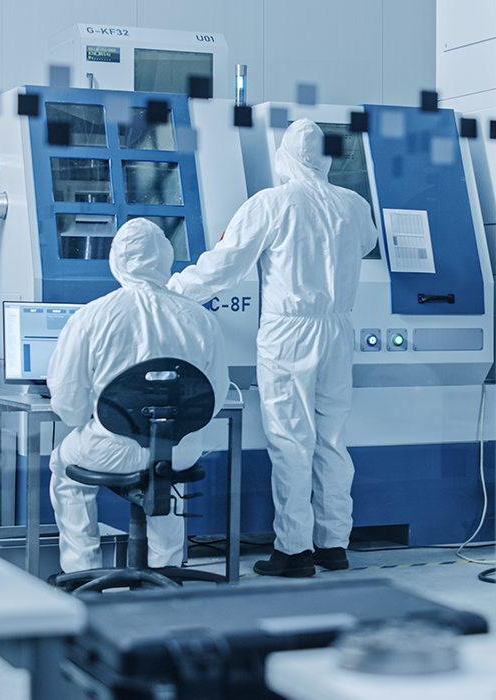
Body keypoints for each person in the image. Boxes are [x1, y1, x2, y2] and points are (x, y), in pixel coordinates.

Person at [168, 118, 378, 577]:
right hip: (338, 329)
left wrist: (170, 291)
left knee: (290, 442)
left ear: (285, 154)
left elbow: (222, 267)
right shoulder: (354, 205)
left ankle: (293, 552)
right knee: (332, 440)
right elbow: (366, 246)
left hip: (290, 332)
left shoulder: (271, 203)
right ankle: (333, 544)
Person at [47, 218, 228, 574]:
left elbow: (68, 406)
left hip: (112, 450)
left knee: (63, 466)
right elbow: (215, 397)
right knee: (165, 474)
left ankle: (82, 571)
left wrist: (96, 416)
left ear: (115, 260)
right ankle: (166, 570)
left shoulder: (91, 317)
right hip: (180, 451)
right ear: (165, 259)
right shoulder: (201, 319)